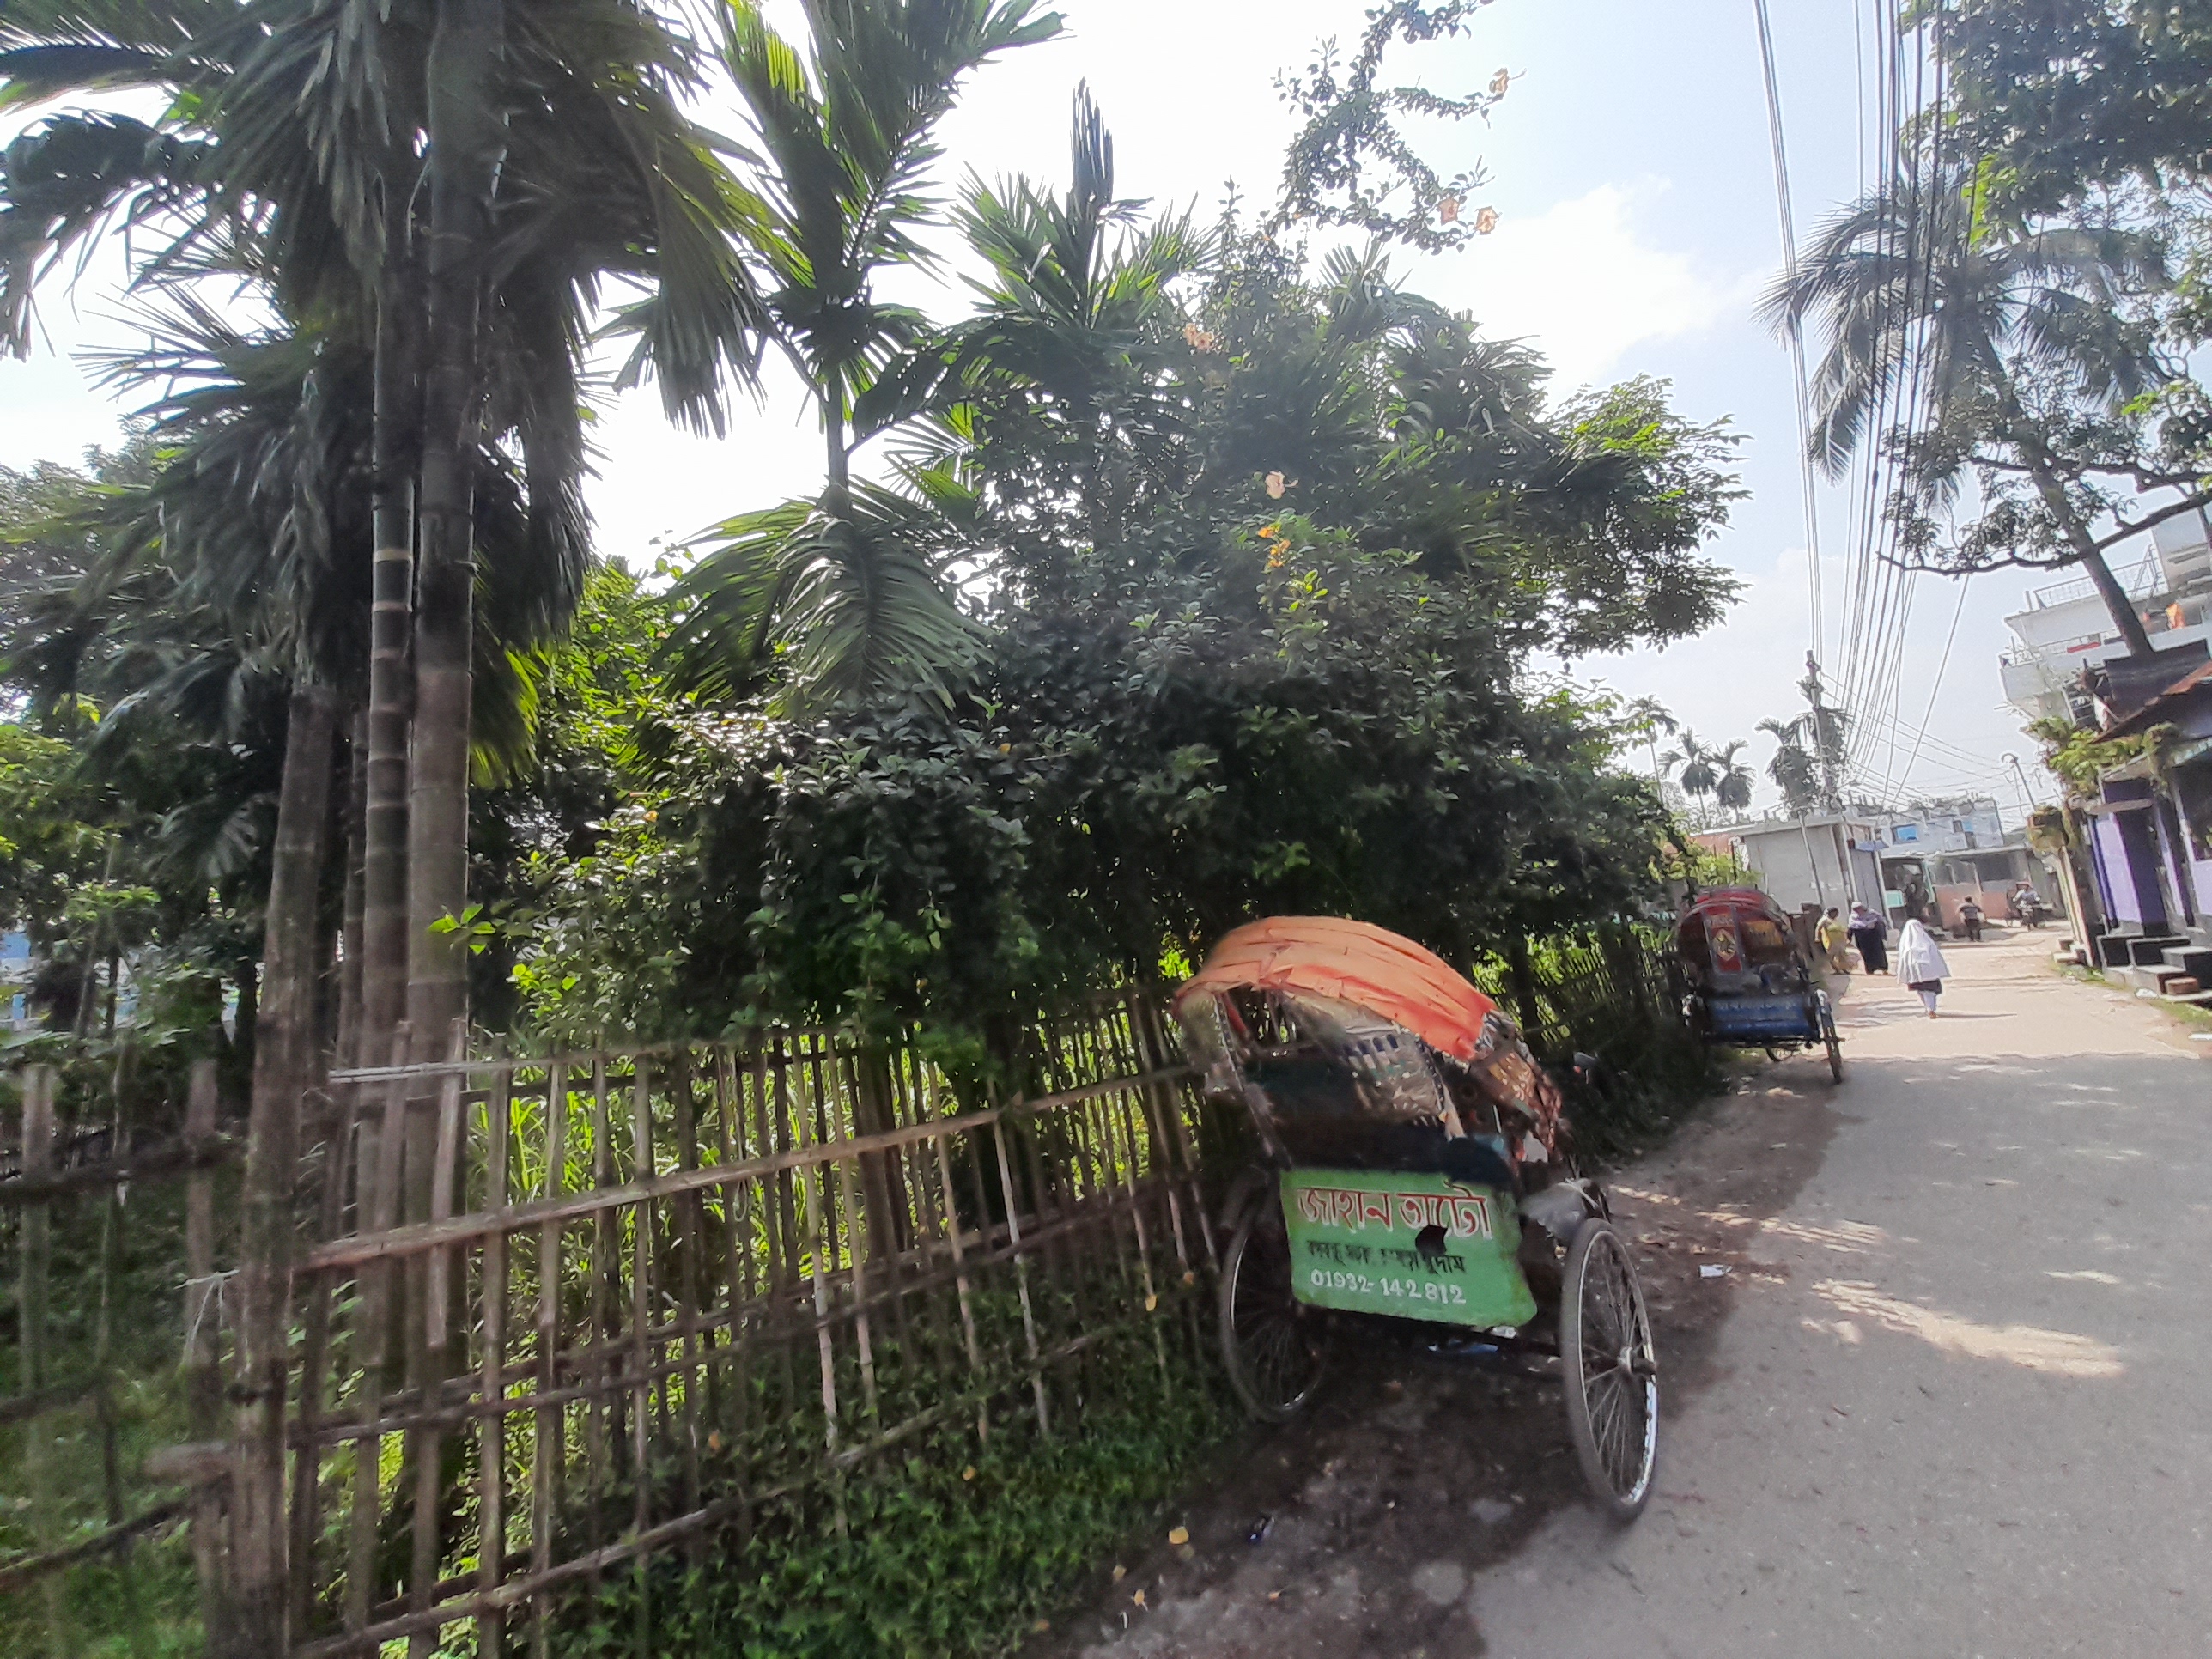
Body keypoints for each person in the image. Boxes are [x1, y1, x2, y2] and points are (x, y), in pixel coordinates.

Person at [1897, 918, 1950, 1017]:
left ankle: (1929, 1008)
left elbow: (1903, 961)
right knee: (1930, 991)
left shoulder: (1906, 946)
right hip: (1930, 973)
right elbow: (1936, 959)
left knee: (1922, 991)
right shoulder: (1928, 942)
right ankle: (1930, 1009)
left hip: (1916, 974)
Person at [1846, 902, 1889, 975]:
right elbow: (1851, 929)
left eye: (1859, 908)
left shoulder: (1873, 914)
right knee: (1866, 955)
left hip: (1874, 937)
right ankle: (1870, 969)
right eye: (1855, 909)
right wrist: (1849, 939)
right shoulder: (1853, 918)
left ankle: (1883, 968)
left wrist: (1883, 935)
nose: (1858, 910)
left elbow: (1881, 924)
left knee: (1879, 953)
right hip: (1862, 940)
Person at [1815, 906, 1850, 972]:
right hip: (1830, 940)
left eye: (1836, 913)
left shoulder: (1836, 921)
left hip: (1840, 940)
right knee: (1831, 955)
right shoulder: (1824, 920)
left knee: (1842, 955)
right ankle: (1836, 969)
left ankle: (1844, 968)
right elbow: (1818, 928)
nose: (1835, 914)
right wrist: (1817, 937)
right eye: (1833, 913)